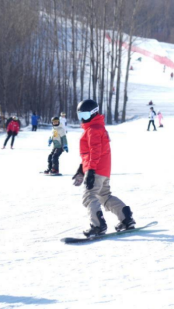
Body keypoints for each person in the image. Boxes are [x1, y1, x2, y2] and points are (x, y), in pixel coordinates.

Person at [71, 99, 136, 238]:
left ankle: (98, 225)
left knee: (89, 196)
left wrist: (91, 171)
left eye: (85, 116)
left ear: (93, 113)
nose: (82, 119)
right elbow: (90, 153)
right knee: (104, 196)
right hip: (103, 170)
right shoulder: (97, 127)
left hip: (96, 169)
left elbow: (95, 152)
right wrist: (82, 169)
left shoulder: (93, 130)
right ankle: (126, 218)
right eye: (80, 116)